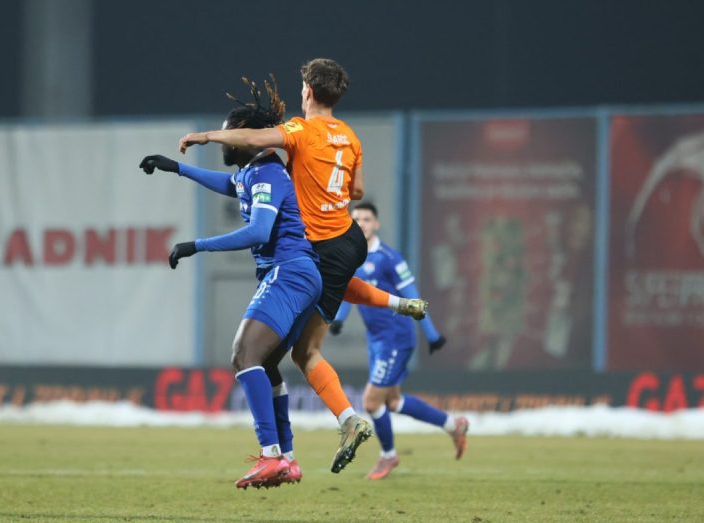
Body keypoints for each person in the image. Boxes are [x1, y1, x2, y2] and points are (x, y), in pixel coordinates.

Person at [174, 59, 426, 473]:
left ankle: (335, 427)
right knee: (297, 343)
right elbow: (357, 189)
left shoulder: (300, 131)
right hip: (349, 239)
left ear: (308, 91)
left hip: (321, 244)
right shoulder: (350, 136)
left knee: (299, 353)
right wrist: (323, 184)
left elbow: (253, 137)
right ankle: (398, 306)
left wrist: (205, 135)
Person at [140, 78, 317, 489]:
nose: (223, 145)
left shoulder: (268, 173)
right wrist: (176, 168)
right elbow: (228, 184)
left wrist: (196, 245)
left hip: (289, 271)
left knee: (243, 355)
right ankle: (287, 459)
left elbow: (259, 231)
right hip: (295, 273)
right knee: (266, 364)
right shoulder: (253, 171)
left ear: (246, 139)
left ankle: (270, 455)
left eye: (228, 137)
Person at [330, 202, 469, 480]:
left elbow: (412, 297)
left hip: (395, 338)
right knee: (392, 401)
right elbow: (351, 292)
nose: (361, 223)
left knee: (372, 402)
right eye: (356, 219)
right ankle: (453, 425)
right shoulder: (351, 256)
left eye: (366, 219)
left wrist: (431, 334)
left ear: (376, 224)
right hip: (376, 339)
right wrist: (339, 319)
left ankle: (388, 456)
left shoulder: (389, 258)